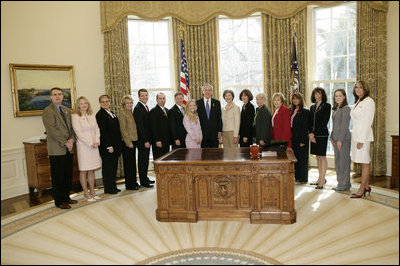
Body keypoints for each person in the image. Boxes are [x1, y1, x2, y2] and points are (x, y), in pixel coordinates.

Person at [42, 87, 77, 209]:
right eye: (55, 94)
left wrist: (72, 140)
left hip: (69, 147)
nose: (57, 96)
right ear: (51, 97)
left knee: (67, 174)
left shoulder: (66, 109)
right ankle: (59, 200)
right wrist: (65, 142)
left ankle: (66, 197)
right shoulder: (48, 111)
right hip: (57, 149)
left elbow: (71, 128)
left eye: (60, 94)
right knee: (58, 176)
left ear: (63, 96)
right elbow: (52, 130)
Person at [71, 96, 102, 202]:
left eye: (86, 103)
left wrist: (96, 141)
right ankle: (86, 193)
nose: (84, 105)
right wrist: (90, 143)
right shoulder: (75, 116)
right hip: (84, 146)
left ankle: (93, 192)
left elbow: (97, 129)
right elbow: (78, 132)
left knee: (92, 170)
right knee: (84, 170)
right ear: (78, 105)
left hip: (94, 145)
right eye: (81, 103)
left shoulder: (91, 115)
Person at [350, 81, 375, 198]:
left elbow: (367, 122)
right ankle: (366, 186)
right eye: (356, 87)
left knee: (365, 162)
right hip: (356, 136)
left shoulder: (369, 102)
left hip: (363, 137)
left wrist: (361, 139)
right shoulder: (359, 101)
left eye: (360, 87)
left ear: (365, 89)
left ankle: (361, 189)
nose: (358, 89)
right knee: (362, 161)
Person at [96, 94, 123, 194]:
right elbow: (103, 132)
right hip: (107, 147)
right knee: (108, 168)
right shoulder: (100, 115)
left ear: (110, 102)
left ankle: (113, 186)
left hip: (115, 146)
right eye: (103, 102)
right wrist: (109, 145)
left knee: (113, 167)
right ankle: (108, 188)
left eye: (107, 101)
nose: (105, 103)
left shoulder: (111, 113)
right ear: (100, 103)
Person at [309, 87, 331, 189]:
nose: (317, 96)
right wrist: (310, 133)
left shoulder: (327, 106)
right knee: (317, 157)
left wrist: (314, 134)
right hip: (313, 135)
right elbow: (309, 122)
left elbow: (324, 122)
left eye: (319, 93)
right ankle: (319, 178)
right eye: (315, 94)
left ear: (322, 95)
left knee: (322, 157)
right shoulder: (312, 107)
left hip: (322, 135)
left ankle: (322, 180)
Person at [330, 89, 352, 191]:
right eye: (336, 96)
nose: (337, 98)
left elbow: (344, 126)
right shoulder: (336, 108)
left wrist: (339, 140)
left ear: (344, 97)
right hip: (335, 139)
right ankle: (340, 183)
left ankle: (345, 184)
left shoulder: (346, 109)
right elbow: (335, 125)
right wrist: (331, 137)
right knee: (338, 162)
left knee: (344, 162)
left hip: (343, 140)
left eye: (339, 96)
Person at [133, 89, 155, 188]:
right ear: (139, 97)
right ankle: (143, 181)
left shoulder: (144, 107)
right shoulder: (138, 108)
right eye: (142, 95)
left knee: (145, 160)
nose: (145, 97)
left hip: (146, 140)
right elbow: (140, 127)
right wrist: (146, 140)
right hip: (142, 141)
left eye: (146, 95)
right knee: (142, 161)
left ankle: (145, 178)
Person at [119, 95, 140, 191]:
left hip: (134, 140)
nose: (129, 104)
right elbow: (123, 129)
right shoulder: (123, 113)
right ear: (124, 104)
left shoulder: (130, 112)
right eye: (127, 103)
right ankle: (130, 185)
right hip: (128, 143)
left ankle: (134, 182)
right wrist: (128, 142)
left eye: (131, 102)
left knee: (132, 164)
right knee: (128, 164)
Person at [290, 92, 310, 184]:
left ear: (300, 100)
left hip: (302, 139)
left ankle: (303, 178)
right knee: (296, 159)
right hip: (294, 138)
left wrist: (303, 140)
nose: (295, 100)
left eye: (297, 98)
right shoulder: (292, 110)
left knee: (302, 159)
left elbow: (305, 127)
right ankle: (297, 177)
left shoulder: (305, 111)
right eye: (293, 99)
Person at [196, 83, 222, 148]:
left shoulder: (217, 102)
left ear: (212, 92)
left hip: (214, 133)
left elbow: (219, 118)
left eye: (209, 90)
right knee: (204, 154)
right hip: (202, 134)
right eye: (206, 90)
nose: (207, 92)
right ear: (203, 91)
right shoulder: (197, 103)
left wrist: (219, 131)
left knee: (215, 154)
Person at [149, 93, 171, 160]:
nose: (162, 100)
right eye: (160, 98)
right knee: (158, 159)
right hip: (158, 141)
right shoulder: (153, 111)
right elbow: (153, 127)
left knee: (165, 160)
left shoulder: (167, 110)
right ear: (157, 100)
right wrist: (157, 140)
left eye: (164, 98)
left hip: (166, 141)